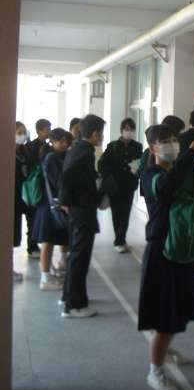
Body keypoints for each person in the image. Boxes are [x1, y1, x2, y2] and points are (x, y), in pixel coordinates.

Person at [139, 124, 194, 390]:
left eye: (174, 139)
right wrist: (189, 156)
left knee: (176, 309)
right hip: (162, 251)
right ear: (153, 148)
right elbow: (165, 188)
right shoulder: (151, 174)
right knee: (165, 314)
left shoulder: (183, 170)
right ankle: (155, 370)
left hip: (185, 249)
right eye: (165, 141)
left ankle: (164, 347)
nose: (171, 144)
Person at [60, 114, 105, 319]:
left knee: (75, 256)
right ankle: (74, 305)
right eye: (101, 133)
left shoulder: (77, 148)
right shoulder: (84, 152)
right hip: (82, 210)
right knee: (80, 257)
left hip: (77, 209)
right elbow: (68, 177)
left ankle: (68, 296)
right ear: (95, 133)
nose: (101, 137)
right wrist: (66, 200)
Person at [32, 128, 70, 291]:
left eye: (65, 141)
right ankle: (45, 278)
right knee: (47, 242)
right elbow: (58, 182)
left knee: (52, 240)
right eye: (60, 141)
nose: (64, 144)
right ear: (52, 142)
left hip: (52, 205)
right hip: (49, 206)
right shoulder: (52, 158)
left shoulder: (60, 156)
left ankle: (50, 272)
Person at [98, 118, 143, 253]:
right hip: (115, 185)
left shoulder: (138, 146)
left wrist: (137, 169)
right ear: (122, 130)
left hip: (129, 184)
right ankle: (119, 240)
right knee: (117, 212)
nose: (129, 132)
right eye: (127, 129)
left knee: (126, 212)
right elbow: (102, 163)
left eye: (132, 129)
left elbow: (141, 162)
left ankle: (121, 239)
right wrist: (108, 176)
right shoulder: (112, 146)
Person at [25, 118, 52, 258]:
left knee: (38, 218)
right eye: (46, 130)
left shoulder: (48, 146)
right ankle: (31, 246)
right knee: (31, 217)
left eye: (49, 129)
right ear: (38, 131)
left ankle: (36, 244)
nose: (49, 132)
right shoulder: (30, 146)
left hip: (44, 187)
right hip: (34, 186)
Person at [14, 122, 30, 281]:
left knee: (14, 236)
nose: (22, 135)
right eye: (19, 132)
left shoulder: (24, 152)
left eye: (24, 132)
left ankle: (9, 268)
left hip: (21, 199)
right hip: (9, 200)